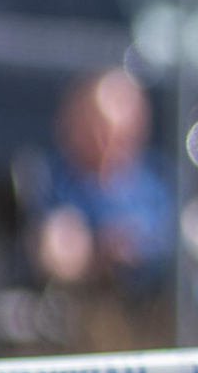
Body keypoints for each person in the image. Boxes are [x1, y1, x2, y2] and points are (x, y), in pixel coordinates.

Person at [30, 67, 175, 305]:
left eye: (120, 132)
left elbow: (176, 233)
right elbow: (52, 247)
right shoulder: (51, 179)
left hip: (154, 301)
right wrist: (96, 249)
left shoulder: (157, 180)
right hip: (82, 305)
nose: (107, 142)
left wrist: (138, 245)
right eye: (98, 128)